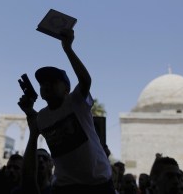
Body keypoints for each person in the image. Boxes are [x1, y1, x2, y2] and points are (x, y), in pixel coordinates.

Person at [18, 28, 114, 193]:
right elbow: (33, 136)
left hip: (98, 184)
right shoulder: (41, 117)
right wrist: (29, 113)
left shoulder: (76, 102)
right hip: (65, 187)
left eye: (53, 82)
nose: (46, 85)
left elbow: (85, 80)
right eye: (42, 83)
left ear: (67, 89)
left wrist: (67, 48)